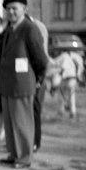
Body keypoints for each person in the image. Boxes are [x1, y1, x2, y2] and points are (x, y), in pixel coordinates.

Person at [0, 0, 48, 169]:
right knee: (10, 122)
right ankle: (14, 154)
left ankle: (24, 158)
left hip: (23, 84)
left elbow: (41, 59)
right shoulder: (10, 29)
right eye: (8, 9)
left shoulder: (29, 28)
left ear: (24, 9)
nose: (11, 12)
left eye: (15, 8)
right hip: (7, 84)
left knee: (22, 122)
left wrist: (38, 79)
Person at [27, 15, 50, 152]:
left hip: (37, 77)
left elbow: (43, 60)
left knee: (35, 110)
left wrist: (39, 79)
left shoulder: (36, 27)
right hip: (29, 76)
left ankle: (35, 142)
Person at [52, 47, 84, 118]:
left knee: (61, 96)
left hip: (64, 78)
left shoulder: (62, 56)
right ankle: (73, 112)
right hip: (73, 78)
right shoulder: (77, 56)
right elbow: (81, 67)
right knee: (72, 96)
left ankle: (61, 112)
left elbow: (54, 63)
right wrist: (78, 76)